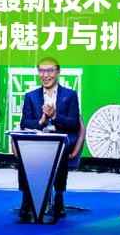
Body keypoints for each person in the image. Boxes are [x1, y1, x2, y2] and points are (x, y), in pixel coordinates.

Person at [18, 57, 80, 222]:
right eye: (42, 71)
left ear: (58, 72)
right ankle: (26, 197)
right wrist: (41, 121)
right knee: (24, 150)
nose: (45, 75)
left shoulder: (70, 95)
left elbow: (74, 123)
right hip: (39, 138)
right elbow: (25, 123)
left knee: (60, 148)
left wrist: (55, 116)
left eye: (50, 71)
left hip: (62, 137)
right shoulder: (31, 96)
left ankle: (58, 196)